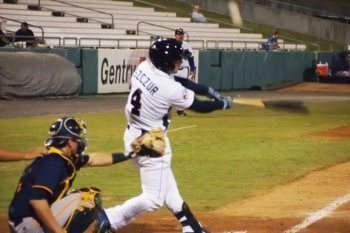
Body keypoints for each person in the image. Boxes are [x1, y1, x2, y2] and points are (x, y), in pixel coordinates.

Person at [103, 38, 232, 233]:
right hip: (152, 142)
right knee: (154, 198)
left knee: (168, 188)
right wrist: (221, 104)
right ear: (165, 62)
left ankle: (192, 228)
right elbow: (199, 106)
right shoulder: (169, 89)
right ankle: (108, 219)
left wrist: (205, 89)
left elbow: (178, 81)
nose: (180, 62)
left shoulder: (144, 67)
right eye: (176, 59)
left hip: (132, 135)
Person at [7, 117, 133, 233]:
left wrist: (130, 155)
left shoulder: (60, 156)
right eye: (78, 138)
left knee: (81, 197)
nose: (81, 141)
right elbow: (37, 200)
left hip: (23, 219)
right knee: (87, 200)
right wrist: (58, 231)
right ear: (69, 142)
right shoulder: (54, 163)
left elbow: (94, 159)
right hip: (27, 224)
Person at [174, 28, 196, 116]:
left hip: (183, 71)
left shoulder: (186, 45)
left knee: (182, 90)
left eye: (182, 34)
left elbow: (191, 58)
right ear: (175, 35)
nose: (181, 36)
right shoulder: (171, 44)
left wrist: (193, 69)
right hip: (173, 70)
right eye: (179, 34)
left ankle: (180, 110)